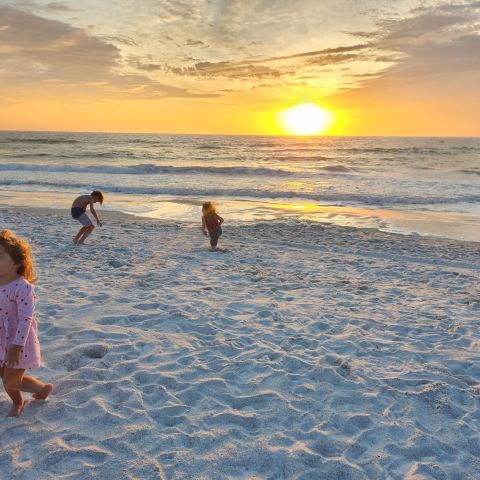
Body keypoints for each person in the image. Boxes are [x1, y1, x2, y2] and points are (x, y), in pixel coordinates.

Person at [0, 230, 52, 417]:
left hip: (17, 341)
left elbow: (25, 318)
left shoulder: (23, 287)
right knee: (6, 377)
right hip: (0, 339)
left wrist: (16, 346)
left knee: (11, 381)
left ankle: (22, 399)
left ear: (16, 263)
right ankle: (37, 390)